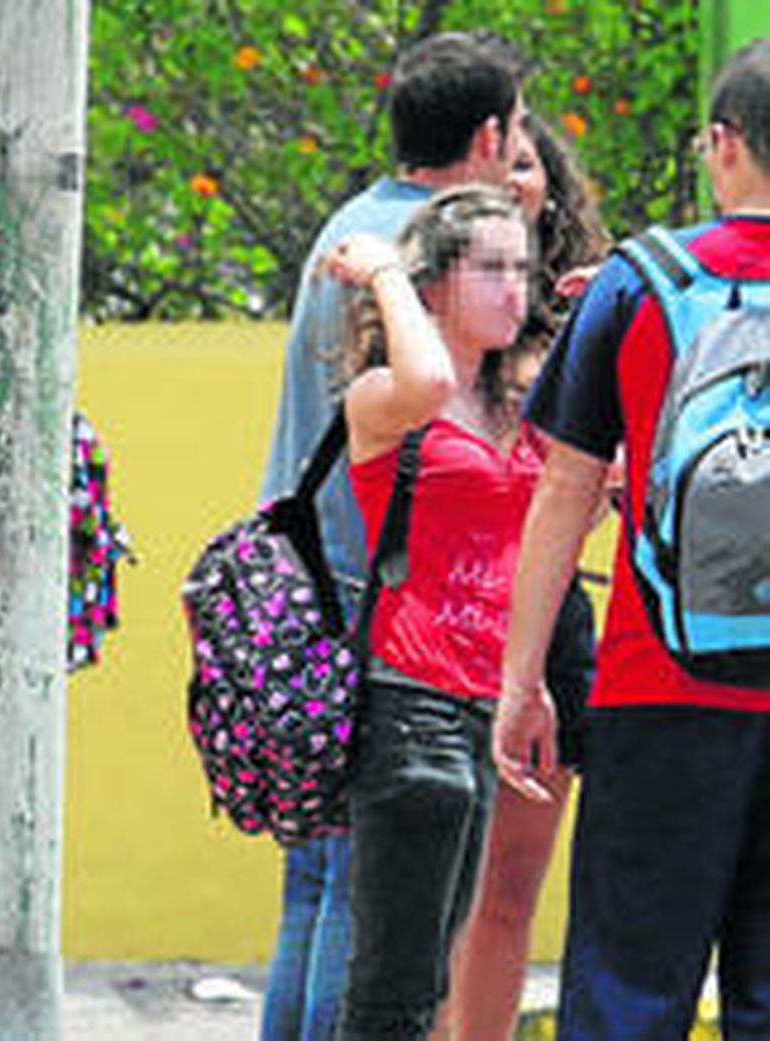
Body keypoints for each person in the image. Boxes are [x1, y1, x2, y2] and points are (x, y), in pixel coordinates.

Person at [495, 39, 770, 1039]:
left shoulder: (639, 281)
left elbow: (563, 493)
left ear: (723, 143)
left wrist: (521, 681)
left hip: (659, 681)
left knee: (628, 991)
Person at [253, 33, 525, 1041]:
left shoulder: (352, 223)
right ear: (488, 135)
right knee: (367, 903)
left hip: (306, 587)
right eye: (517, 133)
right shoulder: (420, 251)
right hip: (378, 605)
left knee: (315, 882)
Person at [320, 184, 534, 1041]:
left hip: (483, 708)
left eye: (523, 269)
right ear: (436, 283)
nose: (516, 289)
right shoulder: (385, 396)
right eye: (493, 269)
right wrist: (383, 273)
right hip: (412, 703)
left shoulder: (512, 406)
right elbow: (431, 376)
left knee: (428, 985)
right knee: (393, 993)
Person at [443, 111, 609, 1041]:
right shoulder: (420, 317)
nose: (511, 179)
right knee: (432, 888)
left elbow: (609, 484)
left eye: (526, 164)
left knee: (509, 888)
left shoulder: (593, 313)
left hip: (546, 625)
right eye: (496, 161)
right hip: (435, 627)